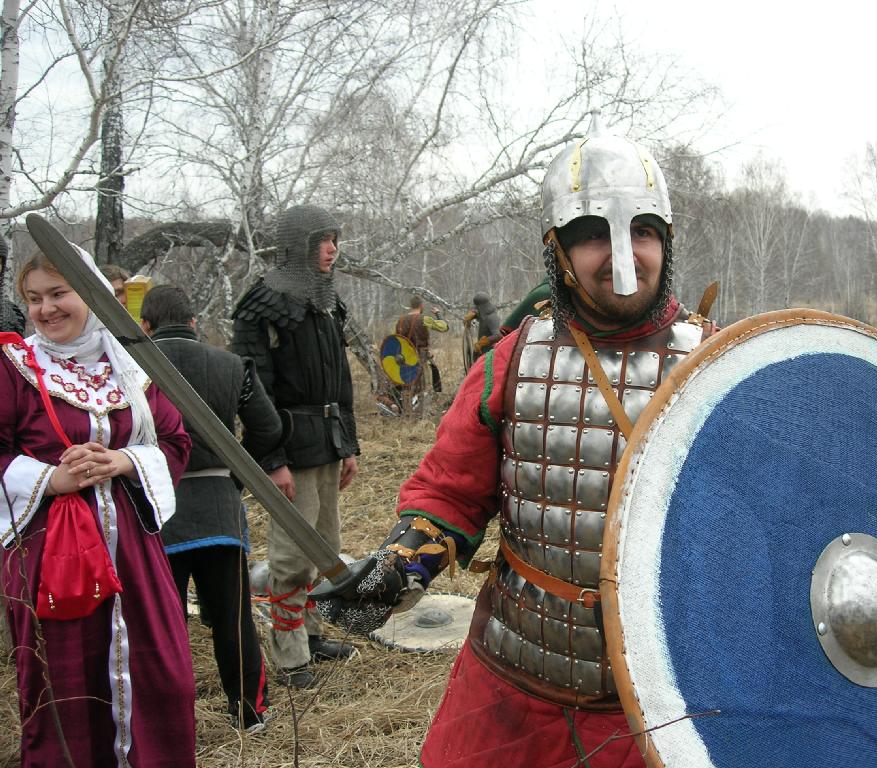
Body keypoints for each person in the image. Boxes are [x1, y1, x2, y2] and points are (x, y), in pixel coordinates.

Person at [318, 117, 713, 766]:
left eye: (642, 230)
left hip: (663, 696)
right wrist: (399, 565)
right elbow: (450, 491)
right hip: (517, 680)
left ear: (666, 242)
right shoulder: (512, 360)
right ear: (558, 250)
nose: (623, 253)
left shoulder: (718, 364)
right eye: (593, 233)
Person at [0, 249, 195, 765]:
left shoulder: (134, 368)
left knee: (163, 678)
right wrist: (51, 479)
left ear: (93, 295)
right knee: (66, 689)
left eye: (58, 293)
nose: (45, 309)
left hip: (134, 552)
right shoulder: (15, 368)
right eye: (34, 298)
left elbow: (174, 441)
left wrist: (125, 461)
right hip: (50, 554)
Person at [231, 204, 360, 689]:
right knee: (290, 556)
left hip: (327, 441)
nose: (332, 249)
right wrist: (272, 459)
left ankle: (310, 632)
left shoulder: (326, 302)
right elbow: (253, 389)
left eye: (334, 239)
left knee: (325, 545)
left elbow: (340, 383)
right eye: (322, 240)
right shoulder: (262, 305)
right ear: (297, 246)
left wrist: (348, 445)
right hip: (288, 444)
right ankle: (289, 654)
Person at [141, 284, 281, 732]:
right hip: (219, 509)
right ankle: (250, 712)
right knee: (232, 619)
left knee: (161, 625)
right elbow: (268, 428)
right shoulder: (231, 365)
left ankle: (167, 723)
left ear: (145, 325)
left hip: (153, 513)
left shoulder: (130, 367)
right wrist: (233, 475)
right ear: (194, 322)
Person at [395, 295, 448, 394]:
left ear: (411, 306)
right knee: (421, 386)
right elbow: (444, 327)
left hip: (403, 358)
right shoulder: (423, 319)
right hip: (420, 356)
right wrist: (438, 314)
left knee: (407, 383)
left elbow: (396, 340)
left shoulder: (400, 320)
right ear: (421, 306)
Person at [462, 292, 501, 362]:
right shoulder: (484, 315)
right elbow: (479, 315)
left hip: (490, 355)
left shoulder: (492, 317)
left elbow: (498, 336)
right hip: (482, 353)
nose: (477, 309)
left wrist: (482, 342)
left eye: (478, 307)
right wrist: (472, 315)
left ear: (481, 307)